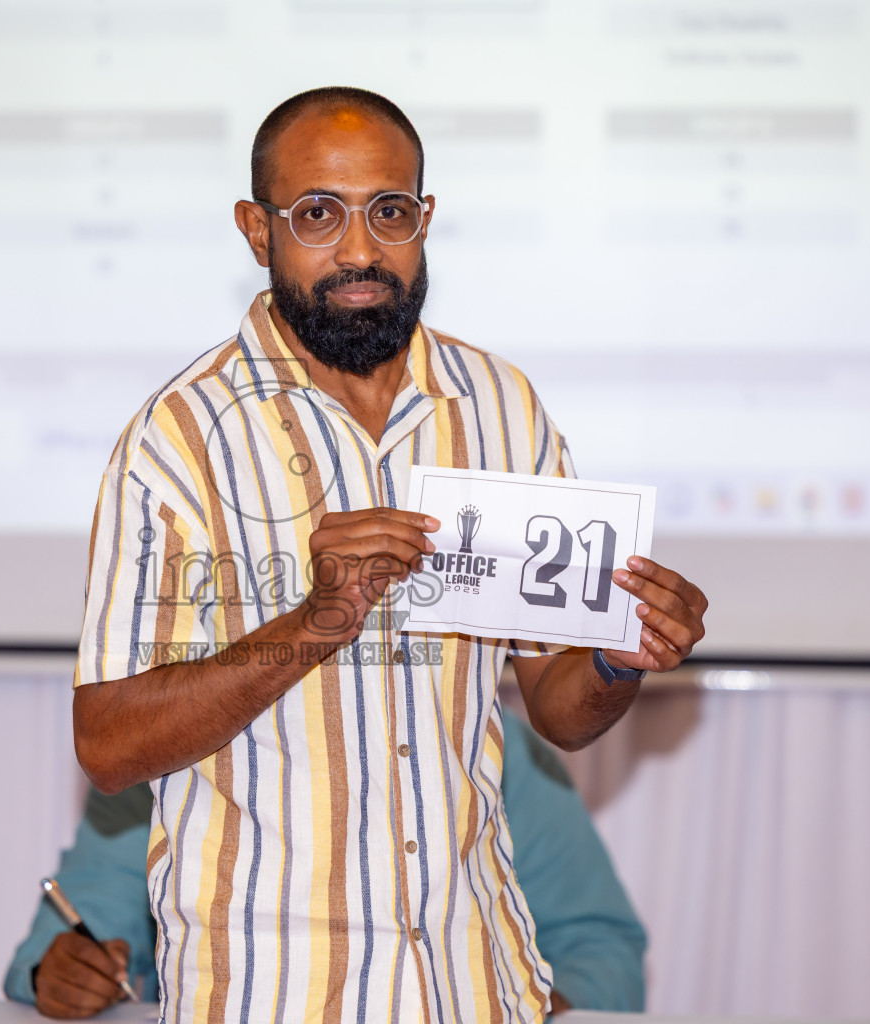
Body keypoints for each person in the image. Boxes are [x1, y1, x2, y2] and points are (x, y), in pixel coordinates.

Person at [72, 86, 708, 1023]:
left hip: (475, 981)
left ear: (426, 218)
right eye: (317, 214)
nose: (361, 250)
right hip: (268, 993)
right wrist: (316, 623)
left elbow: (559, 710)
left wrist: (620, 657)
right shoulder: (179, 439)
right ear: (257, 229)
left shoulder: (500, 405)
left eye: (390, 211)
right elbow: (107, 745)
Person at [6, 706, 647, 1017]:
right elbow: (71, 933)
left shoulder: (492, 747)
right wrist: (58, 973)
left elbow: (600, 949)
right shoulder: (162, 750)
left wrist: (522, 1003)